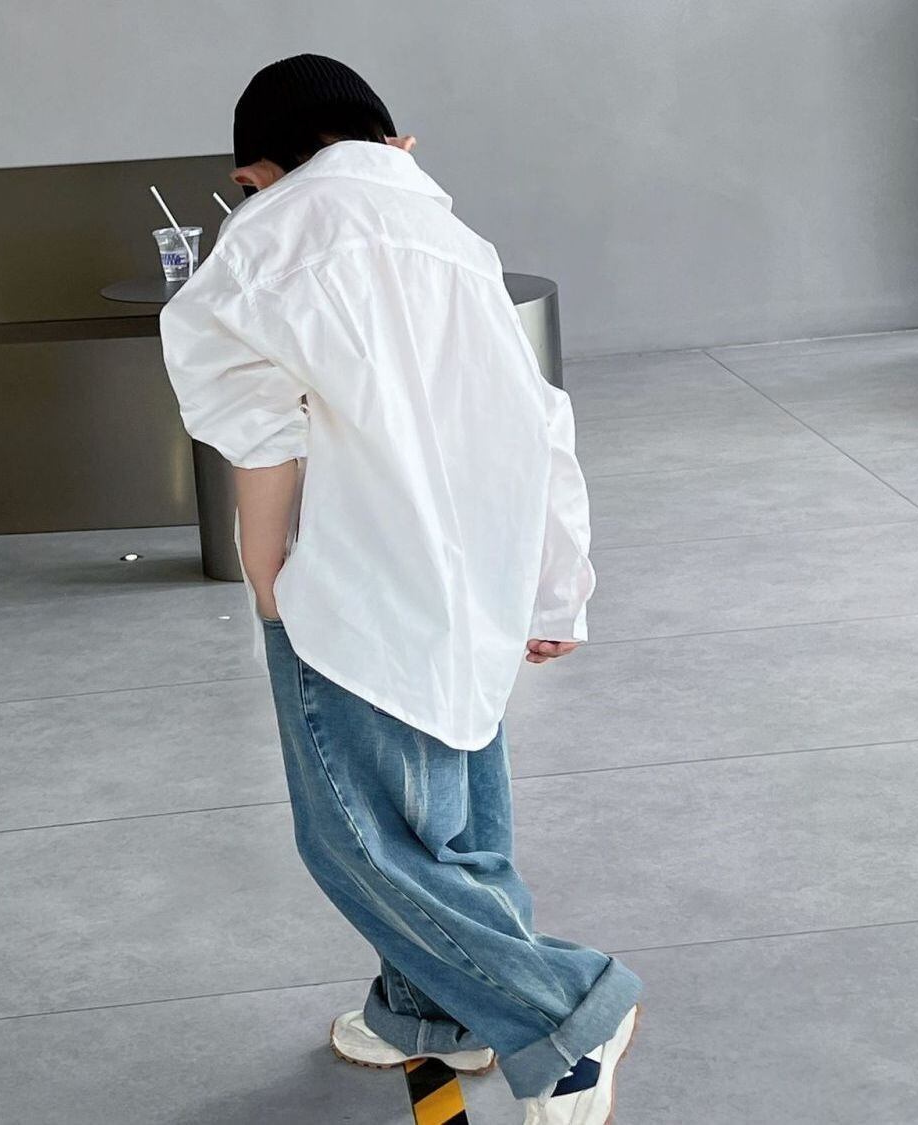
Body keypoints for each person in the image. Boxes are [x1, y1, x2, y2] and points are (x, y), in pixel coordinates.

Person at [161, 53, 643, 1125]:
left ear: (252, 174)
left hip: (355, 577)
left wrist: (266, 578)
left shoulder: (265, 242)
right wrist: (555, 586)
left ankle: (566, 1012)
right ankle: (431, 1015)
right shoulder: (453, 241)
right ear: (394, 143)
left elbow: (258, 431)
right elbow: (536, 418)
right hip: (478, 570)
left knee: (358, 836)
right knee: (452, 823)